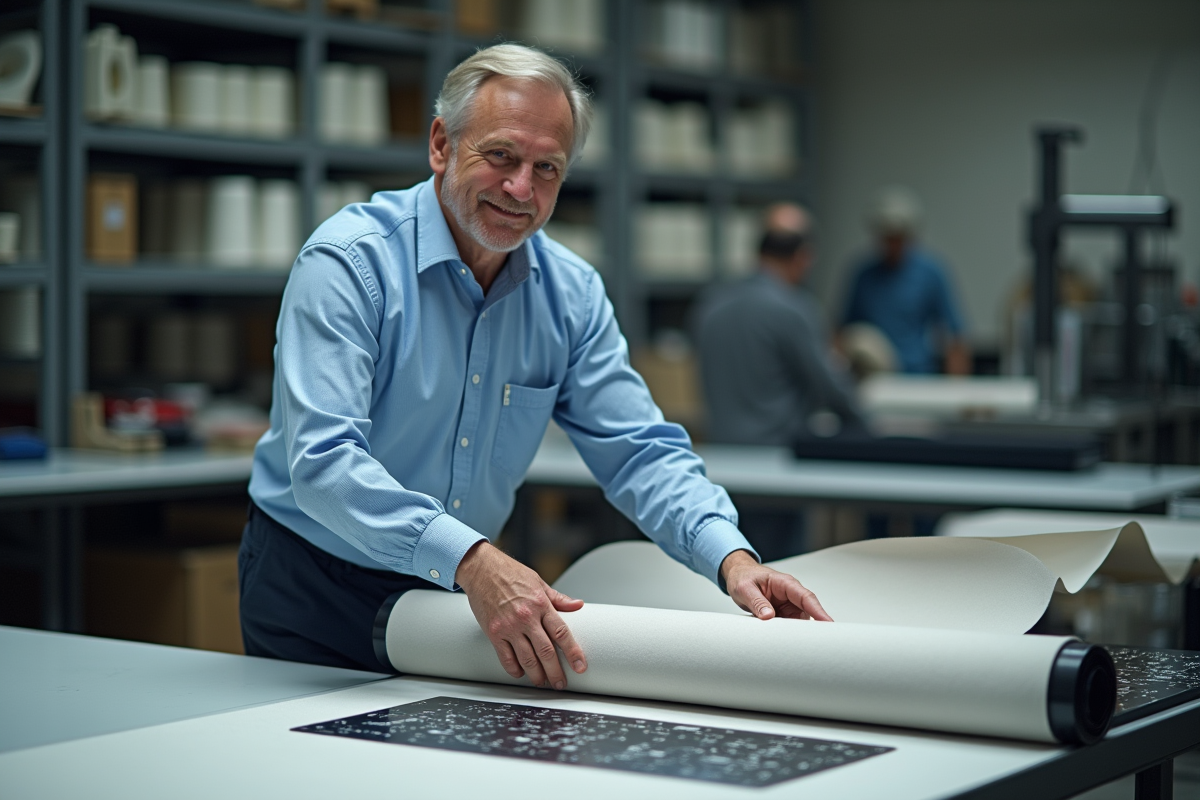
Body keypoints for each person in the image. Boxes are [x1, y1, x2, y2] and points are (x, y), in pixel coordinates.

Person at [240, 44, 831, 689]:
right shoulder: (350, 265)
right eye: (500, 156)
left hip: (453, 591)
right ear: (441, 144)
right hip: (315, 581)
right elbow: (324, 465)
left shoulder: (570, 294)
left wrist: (732, 558)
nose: (521, 188)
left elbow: (638, 450)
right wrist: (472, 559)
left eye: (547, 168)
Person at [695, 203, 863, 446]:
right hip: (776, 458)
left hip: (720, 454)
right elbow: (830, 389)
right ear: (803, 256)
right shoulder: (793, 309)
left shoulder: (710, 305)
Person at [840, 187, 970, 375]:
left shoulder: (931, 273)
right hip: (873, 379)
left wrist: (957, 391)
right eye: (886, 237)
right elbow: (844, 331)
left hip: (917, 378)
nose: (891, 244)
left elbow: (955, 337)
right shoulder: (863, 275)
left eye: (897, 237)